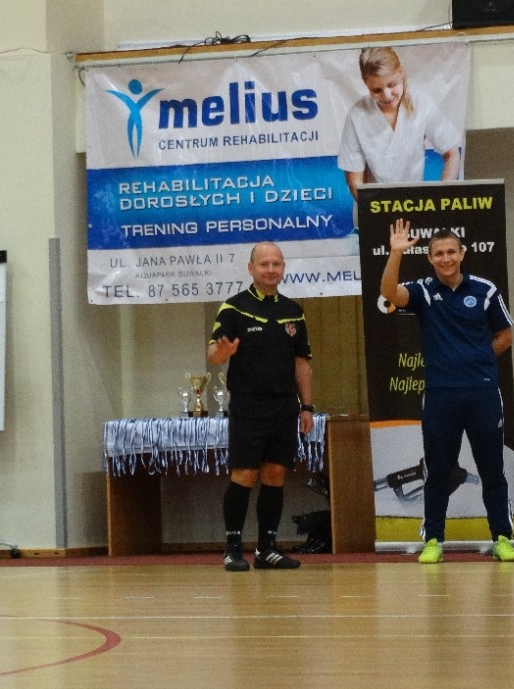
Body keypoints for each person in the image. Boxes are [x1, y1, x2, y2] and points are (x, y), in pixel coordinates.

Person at [379, 218, 514, 564]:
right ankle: (434, 540)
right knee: (438, 471)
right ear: (430, 259)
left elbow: (505, 336)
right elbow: (389, 294)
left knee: (492, 469)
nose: (446, 259)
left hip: (482, 393)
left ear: (462, 254)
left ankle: (502, 538)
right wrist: (396, 253)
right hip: (441, 395)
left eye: (451, 252)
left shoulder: (485, 290)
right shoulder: (424, 291)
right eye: (439, 254)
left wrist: (476, 360)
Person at [207, 242, 314, 571]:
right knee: (245, 474)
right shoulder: (233, 308)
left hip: (284, 406)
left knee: (275, 474)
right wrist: (222, 353)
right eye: (264, 264)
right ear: (251, 268)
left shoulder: (294, 311)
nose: (270, 269)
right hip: (248, 405)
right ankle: (232, 548)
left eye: (276, 264)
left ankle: (267, 549)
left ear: (283, 268)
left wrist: (307, 406)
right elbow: (213, 354)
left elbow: (302, 363)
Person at [338, 47, 462, 202]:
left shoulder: (422, 104)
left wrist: (443, 199)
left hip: (415, 207)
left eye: (392, 85)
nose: (387, 95)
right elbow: (355, 180)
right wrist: (375, 210)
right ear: (366, 85)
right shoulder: (357, 116)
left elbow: (452, 153)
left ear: (401, 73)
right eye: (377, 90)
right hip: (374, 209)